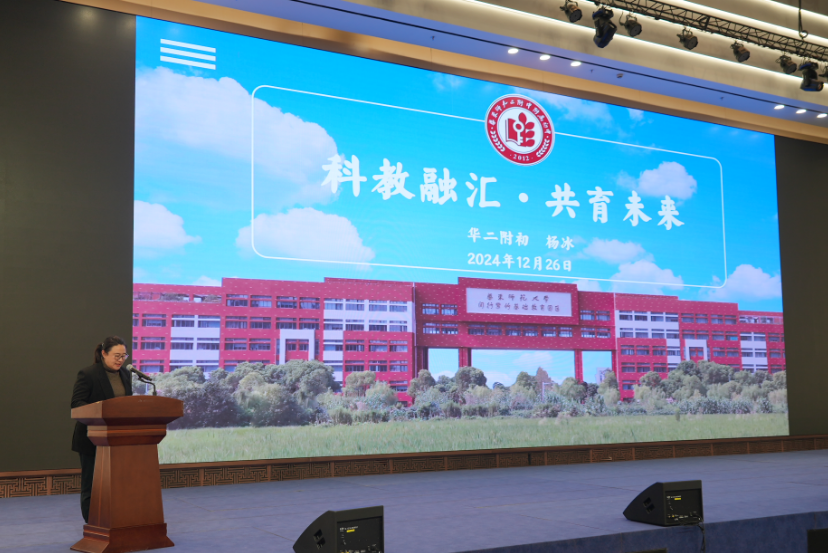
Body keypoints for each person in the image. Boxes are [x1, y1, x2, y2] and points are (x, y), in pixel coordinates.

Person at [71, 336, 133, 523]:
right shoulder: (88, 374)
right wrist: (98, 408)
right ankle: (92, 525)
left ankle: (115, 522)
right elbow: (76, 403)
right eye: (116, 355)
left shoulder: (125, 374)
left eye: (123, 356)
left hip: (117, 439)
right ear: (104, 353)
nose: (120, 360)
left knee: (116, 484)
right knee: (92, 486)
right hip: (92, 438)